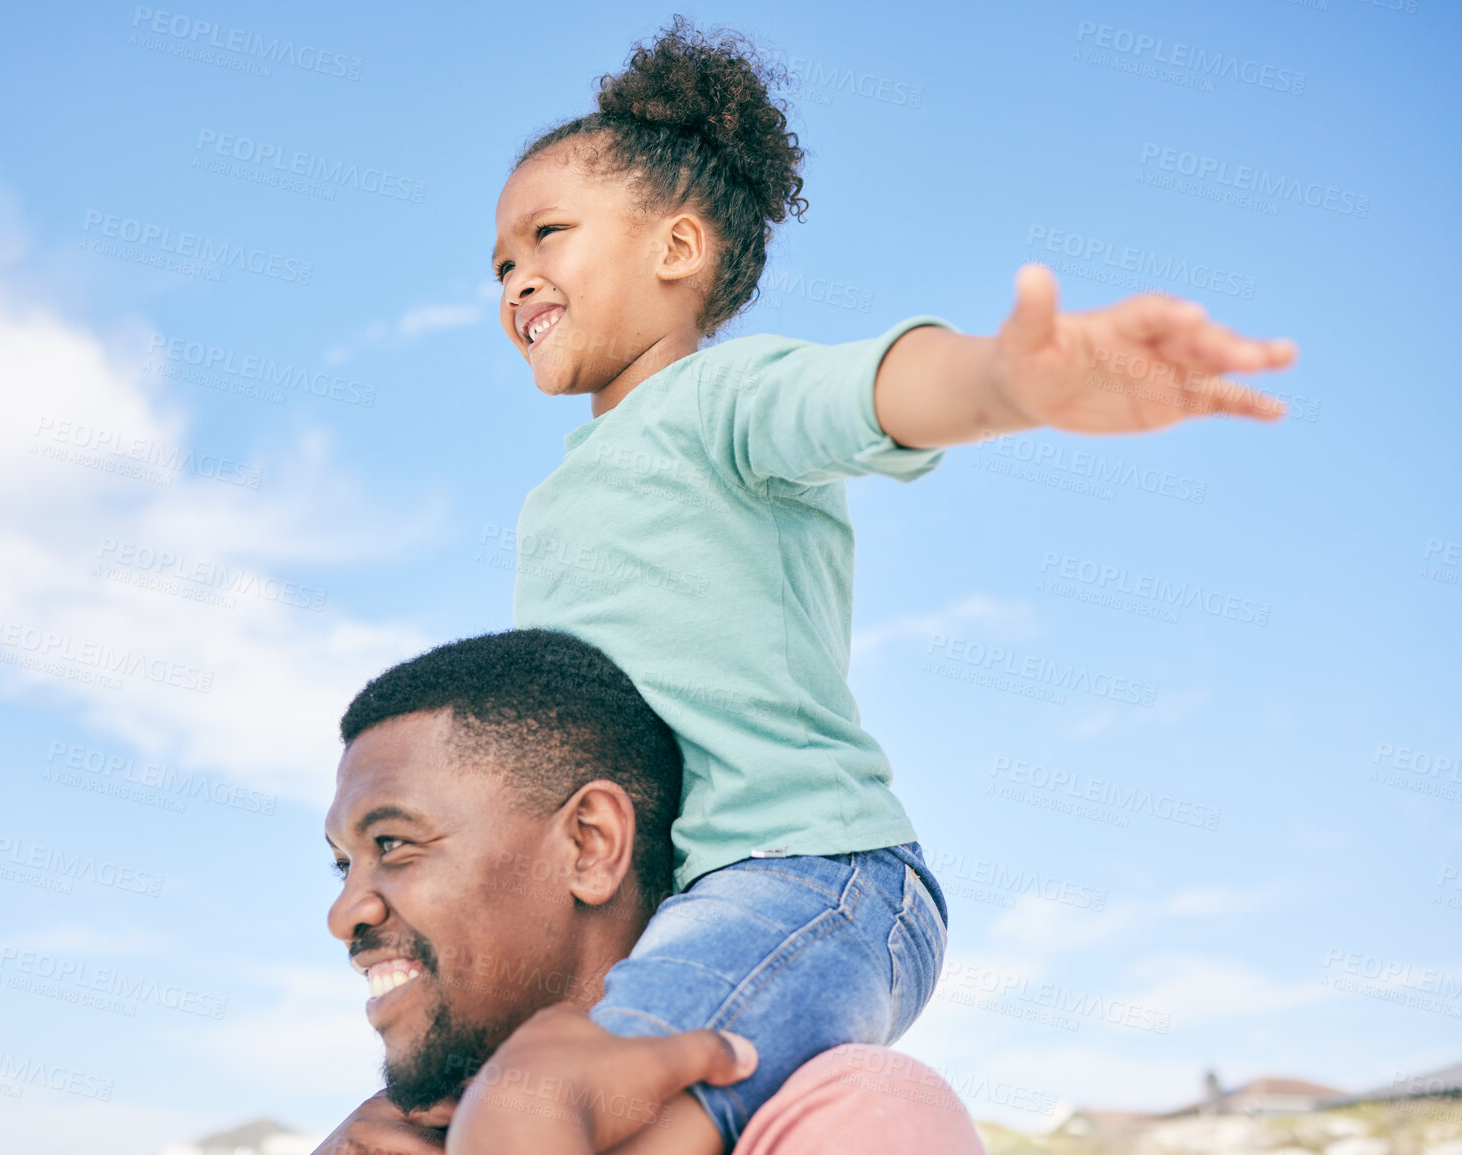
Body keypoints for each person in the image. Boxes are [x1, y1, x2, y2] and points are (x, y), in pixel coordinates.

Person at [470, 15, 1298, 1155]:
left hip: (810, 881)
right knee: (502, 1107)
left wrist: (1009, 378)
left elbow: (873, 392)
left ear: (677, 250)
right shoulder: (551, 506)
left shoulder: (720, 401)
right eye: (502, 263)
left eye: (546, 236)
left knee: (547, 1110)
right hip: (672, 922)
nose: (517, 278)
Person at [316, 628, 984, 1155]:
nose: (345, 912)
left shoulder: (854, 1115)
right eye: (342, 864)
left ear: (589, 843)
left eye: (394, 843)